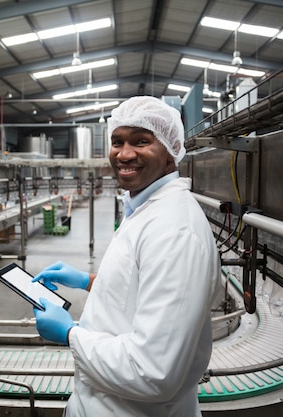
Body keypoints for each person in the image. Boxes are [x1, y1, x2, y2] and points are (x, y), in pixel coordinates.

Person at [32, 96, 220, 417]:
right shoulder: (144, 208)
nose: (125, 153)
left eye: (141, 141)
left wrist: (69, 334)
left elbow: (153, 371)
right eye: (117, 141)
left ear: (171, 154)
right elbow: (140, 288)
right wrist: (89, 281)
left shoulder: (175, 231)